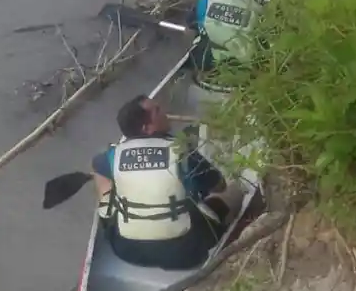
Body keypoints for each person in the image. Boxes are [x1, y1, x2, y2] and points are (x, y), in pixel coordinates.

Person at [90, 95, 246, 270]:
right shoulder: (181, 151)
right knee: (233, 191)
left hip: (126, 250)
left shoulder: (111, 156)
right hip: (184, 253)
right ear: (147, 128)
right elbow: (219, 185)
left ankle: (109, 216)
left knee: (101, 177)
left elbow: (96, 166)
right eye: (158, 111)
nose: (164, 112)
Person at [184, 0, 268, 91]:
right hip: (244, 78)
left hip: (205, 71)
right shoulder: (262, 10)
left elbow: (189, 28)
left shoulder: (204, 2)